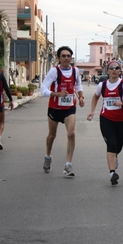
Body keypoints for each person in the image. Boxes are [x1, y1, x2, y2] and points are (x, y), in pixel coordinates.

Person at [87, 60, 123, 185]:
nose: (114, 70)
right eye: (111, 68)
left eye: (116, 68)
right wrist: (92, 111)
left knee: (118, 147)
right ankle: (112, 173)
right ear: (107, 70)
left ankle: (115, 157)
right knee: (111, 145)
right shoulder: (102, 85)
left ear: (120, 71)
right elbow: (95, 97)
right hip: (106, 119)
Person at [40, 46, 85, 177]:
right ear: (59, 58)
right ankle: (48, 156)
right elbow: (43, 90)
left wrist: (80, 96)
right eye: (63, 56)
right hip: (55, 108)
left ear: (71, 58)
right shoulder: (54, 72)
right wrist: (57, 94)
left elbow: (78, 85)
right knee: (52, 135)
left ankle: (68, 165)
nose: (66, 58)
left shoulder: (76, 71)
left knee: (71, 134)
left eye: (68, 56)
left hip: (69, 108)